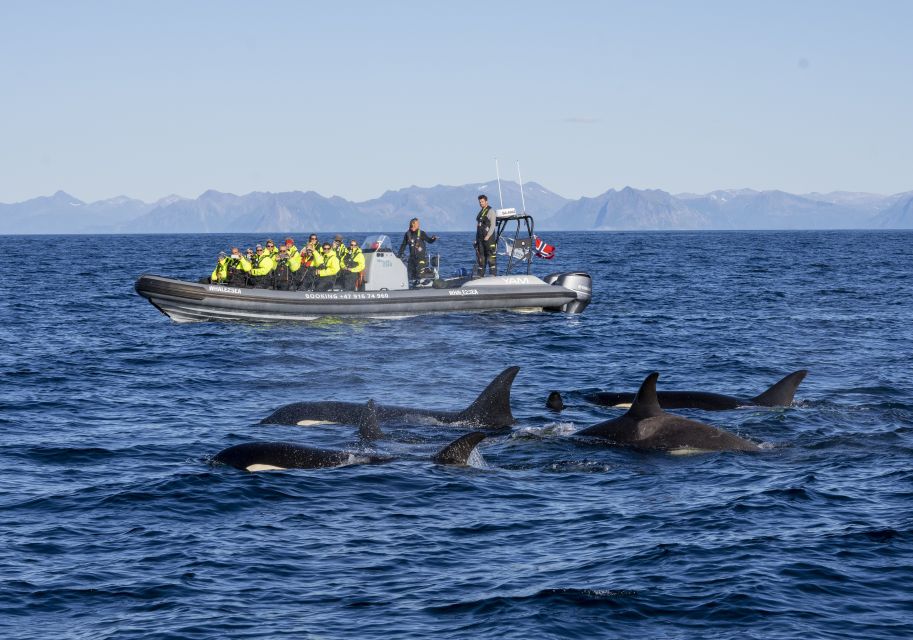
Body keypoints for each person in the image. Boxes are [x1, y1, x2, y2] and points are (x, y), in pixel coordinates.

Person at [397, 217, 437, 282]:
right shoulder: (407, 234)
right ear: (413, 224)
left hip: (421, 258)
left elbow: (429, 241)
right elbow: (403, 245)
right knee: (410, 276)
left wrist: (433, 238)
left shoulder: (421, 233)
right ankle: (414, 286)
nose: (419, 225)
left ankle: (432, 275)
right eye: (417, 223)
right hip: (412, 258)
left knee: (419, 274)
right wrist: (399, 254)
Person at [474, 194, 497, 277]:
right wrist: (476, 239)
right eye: (480, 202)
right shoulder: (480, 212)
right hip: (480, 239)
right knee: (481, 258)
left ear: (486, 201)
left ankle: (492, 275)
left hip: (488, 239)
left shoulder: (491, 211)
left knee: (491, 257)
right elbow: (478, 227)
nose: (481, 203)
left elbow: (493, 225)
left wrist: (488, 236)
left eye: (482, 202)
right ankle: (480, 276)